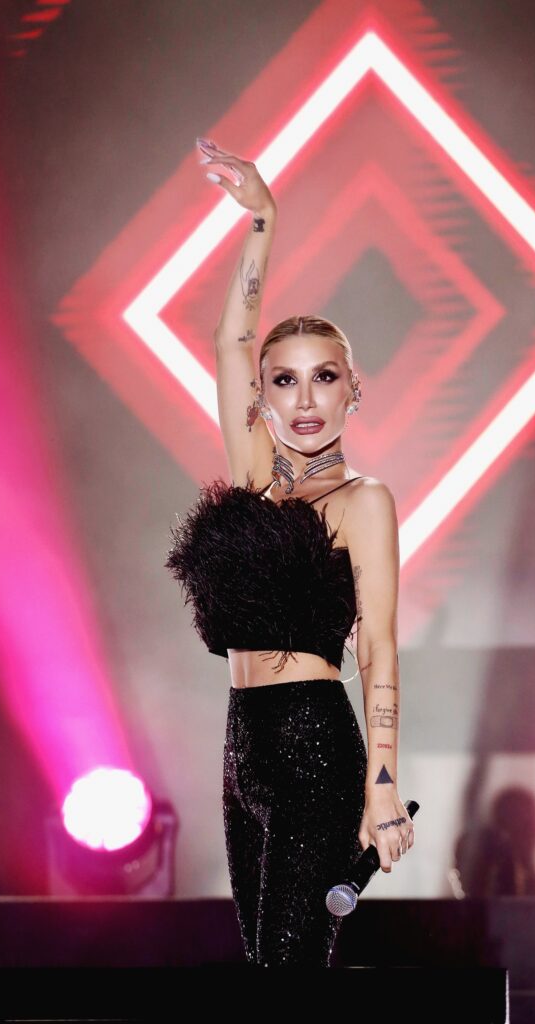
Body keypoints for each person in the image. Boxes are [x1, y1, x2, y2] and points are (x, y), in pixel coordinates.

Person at [164, 137, 415, 966]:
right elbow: (228, 342)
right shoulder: (255, 484)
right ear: (262, 399)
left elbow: (377, 646)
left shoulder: (363, 501)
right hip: (242, 743)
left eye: (324, 377)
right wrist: (262, 220)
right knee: (268, 975)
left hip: (315, 745)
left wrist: (382, 784)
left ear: (353, 389)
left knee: (286, 980)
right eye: (284, 379)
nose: (304, 399)